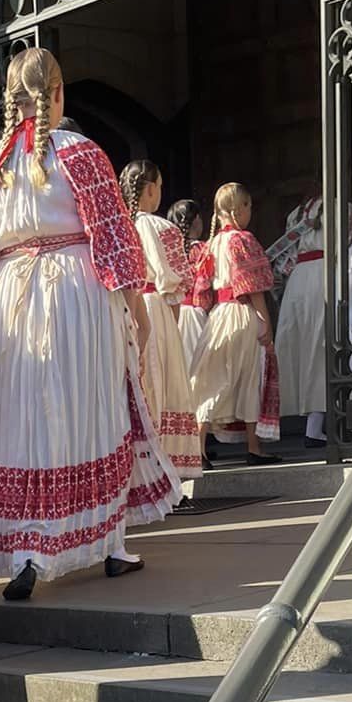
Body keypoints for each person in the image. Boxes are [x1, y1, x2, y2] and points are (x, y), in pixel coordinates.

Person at [0, 46, 175, 602]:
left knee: (22, 419)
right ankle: (111, 545)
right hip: (75, 292)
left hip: (10, 297)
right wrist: (139, 314)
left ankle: (27, 547)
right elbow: (115, 241)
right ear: (57, 93)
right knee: (89, 408)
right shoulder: (80, 153)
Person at [119, 161, 202, 487]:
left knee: (140, 388)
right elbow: (175, 283)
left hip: (125, 310)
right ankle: (166, 475)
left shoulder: (120, 227)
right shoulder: (161, 228)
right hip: (155, 308)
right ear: (151, 188)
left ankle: (140, 475)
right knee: (164, 385)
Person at [191, 181, 281, 465]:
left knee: (212, 380)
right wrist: (266, 323)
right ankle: (253, 448)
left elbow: (202, 287)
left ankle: (200, 448)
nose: (250, 211)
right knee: (247, 380)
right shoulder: (242, 240)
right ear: (238, 209)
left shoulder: (212, 243)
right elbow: (253, 287)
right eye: (248, 205)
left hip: (219, 313)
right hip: (241, 314)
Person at [271, 192, 327, 444]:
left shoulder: (296, 214)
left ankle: (308, 423)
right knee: (316, 344)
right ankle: (313, 425)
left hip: (298, 278)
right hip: (319, 274)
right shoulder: (335, 206)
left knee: (304, 343)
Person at [168, 197, 211, 373]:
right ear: (196, 220)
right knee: (200, 371)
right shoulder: (202, 250)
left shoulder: (171, 251)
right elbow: (206, 282)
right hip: (195, 312)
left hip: (174, 314)